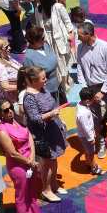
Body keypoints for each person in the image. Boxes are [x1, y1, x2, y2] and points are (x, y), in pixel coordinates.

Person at [19, 66, 67, 202]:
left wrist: (58, 118)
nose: (46, 80)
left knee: (54, 160)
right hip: (43, 135)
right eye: (43, 78)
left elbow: (51, 105)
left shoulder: (41, 89)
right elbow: (34, 118)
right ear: (33, 81)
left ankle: (54, 184)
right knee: (47, 163)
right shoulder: (28, 97)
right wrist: (51, 114)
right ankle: (46, 190)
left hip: (52, 130)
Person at [0, 100, 41, 213]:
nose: (9, 111)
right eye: (5, 110)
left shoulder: (17, 120)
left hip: (29, 161)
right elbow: (12, 153)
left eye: (10, 108)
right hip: (18, 166)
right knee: (22, 194)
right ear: (0, 114)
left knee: (32, 190)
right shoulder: (2, 130)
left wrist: (32, 156)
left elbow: (29, 137)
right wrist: (29, 162)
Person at [75, 23, 107, 97]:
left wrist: (103, 92)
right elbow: (79, 68)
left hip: (105, 88)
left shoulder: (106, 47)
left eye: (80, 36)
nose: (78, 38)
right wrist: (84, 87)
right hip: (89, 88)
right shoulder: (80, 47)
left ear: (88, 35)